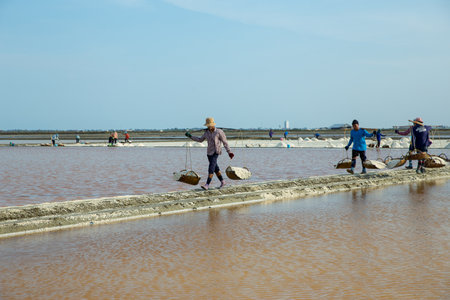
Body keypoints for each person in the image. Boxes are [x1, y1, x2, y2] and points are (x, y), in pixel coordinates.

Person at [185, 117, 234, 190]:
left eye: (210, 125)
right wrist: (190, 136)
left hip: (216, 152)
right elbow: (200, 140)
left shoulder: (219, 132)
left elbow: (225, 142)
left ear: (213, 124)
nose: (209, 127)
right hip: (209, 153)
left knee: (211, 168)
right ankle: (223, 182)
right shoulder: (206, 133)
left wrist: (229, 152)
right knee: (216, 169)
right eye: (208, 125)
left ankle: (207, 184)